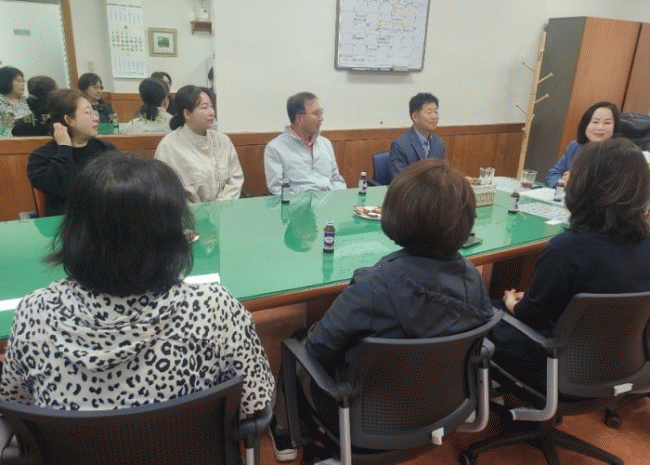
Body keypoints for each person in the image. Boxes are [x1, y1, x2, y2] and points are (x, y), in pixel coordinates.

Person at [1, 152, 274, 415]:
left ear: (75, 231)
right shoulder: (213, 308)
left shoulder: (34, 313)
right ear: (170, 236)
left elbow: (15, 406)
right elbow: (254, 402)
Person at [270, 158, 495, 461]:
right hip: (441, 412)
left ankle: (284, 432)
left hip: (361, 422)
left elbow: (319, 350)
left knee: (297, 342)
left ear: (396, 215)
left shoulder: (374, 286)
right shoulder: (473, 279)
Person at [492, 138, 650, 388]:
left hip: (561, 371)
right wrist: (533, 297)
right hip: (628, 367)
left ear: (584, 185)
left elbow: (531, 316)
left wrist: (512, 303)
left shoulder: (566, 248)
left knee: (484, 313)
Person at [27, 89, 116, 216]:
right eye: (88, 112)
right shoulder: (41, 157)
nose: (96, 118)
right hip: (64, 221)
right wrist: (64, 148)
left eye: (94, 112)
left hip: (103, 218)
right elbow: (61, 189)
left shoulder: (106, 149)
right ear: (69, 120)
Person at [155, 85, 243, 201]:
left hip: (224, 208)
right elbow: (165, 189)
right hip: (188, 210)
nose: (211, 112)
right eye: (204, 107)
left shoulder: (223, 140)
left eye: (211, 106)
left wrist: (221, 204)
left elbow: (235, 178)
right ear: (187, 114)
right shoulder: (169, 146)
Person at [264, 91, 346, 195]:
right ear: (299, 119)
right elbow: (277, 188)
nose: (321, 118)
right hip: (297, 203)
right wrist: (305, 201)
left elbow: (336, 180)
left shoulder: (325, 144)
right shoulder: (275, 148)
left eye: (321, 112)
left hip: (329, 201)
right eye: (316, 113)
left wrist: (336, 198)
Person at [545, 101, 620, 187]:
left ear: (615, 127)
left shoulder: (621, 154)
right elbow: (553, 174)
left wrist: (577, 182)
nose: (600, 128)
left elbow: (613, 187)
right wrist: (562, 184)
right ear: (585, 125)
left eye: (607, 123)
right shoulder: (575, 146)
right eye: (595, 122)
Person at [388, 92, 445, 181]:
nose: (434, 117)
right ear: (415, 117)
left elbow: (443, 173)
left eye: (436, 112)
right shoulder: (400, 144)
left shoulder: (438, 142)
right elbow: (400, 179)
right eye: (429, 112)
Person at [0, 66, 30, 134]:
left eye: (23, 81)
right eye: (19, 81)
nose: (22, 84)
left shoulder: (28, 102)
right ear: (6, 82)